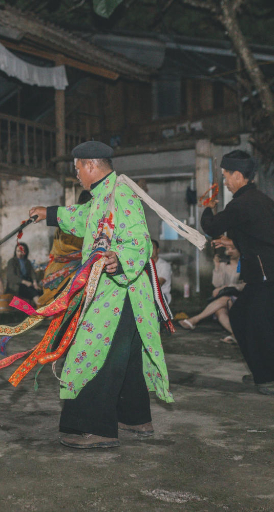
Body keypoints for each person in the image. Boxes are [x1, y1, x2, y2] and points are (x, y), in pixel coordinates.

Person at [28, 141, 173, 449]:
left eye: (78, 167)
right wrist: (49, 213)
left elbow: (140, 241)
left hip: (120, 292)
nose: (77, 173)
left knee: (95, 353)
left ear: (91, 166)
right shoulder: (102, 197)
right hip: (123, 292)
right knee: (127, 358)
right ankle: (136, 419)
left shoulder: (121, 194)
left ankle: (97, 428)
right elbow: (83, 218)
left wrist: (118, 259)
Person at [200, 150, 274, 395]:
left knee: (266, 325)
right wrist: (233, 243)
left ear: (237, 175)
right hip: (270, 271)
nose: (224, 181)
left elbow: (211, 226)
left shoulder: (241, 203)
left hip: (268, 273)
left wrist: (208, 208)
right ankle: (263, 373)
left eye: (225, 176)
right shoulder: (261, 200)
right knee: (242, 316)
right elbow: (260, 233)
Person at [178, 242, 244, 343]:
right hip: (225, 299)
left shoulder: (243, 265)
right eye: (228, 248)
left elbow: (245, 285)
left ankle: (195, 319)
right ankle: (236, 334)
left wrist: (228, 287)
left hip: (241, 298)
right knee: (219, 311)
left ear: (239, 251)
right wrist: (217, 267)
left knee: (225, 299)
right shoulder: (224, 264)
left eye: (233, 248)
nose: (230, 251)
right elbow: (217, 284)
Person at [36, 190, 90, 307]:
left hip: (55, 270)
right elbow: (70, 247)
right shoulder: (76, 219)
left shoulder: (68, 217)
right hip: (64, 273)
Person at [151, 239, 172, 304]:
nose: (150, 250)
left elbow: (159, 284)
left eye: (152, 248)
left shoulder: (165, 265)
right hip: (148, 295)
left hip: (162, 295)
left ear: (157, 250)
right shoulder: (144, 265)